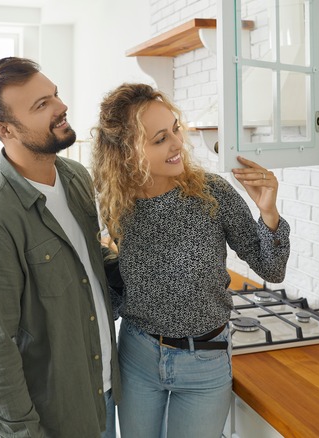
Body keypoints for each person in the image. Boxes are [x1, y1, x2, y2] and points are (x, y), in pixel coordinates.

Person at [91, 83, 290, 438]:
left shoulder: (212, 192)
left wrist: (269, 212)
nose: (177, 144)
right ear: (125, 153)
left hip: (206, 362)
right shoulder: (115, 203)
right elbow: (123, 278)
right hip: (138, 354)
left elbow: (271, 269)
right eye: (159, 139)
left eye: (176, 130)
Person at [0, 57, 120, 438]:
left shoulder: (75, 177)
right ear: (5, 129)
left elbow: (87, 259)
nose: (61, 107)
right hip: (54, 416)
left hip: (104, 390)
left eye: (55, 95)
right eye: (40, 105)